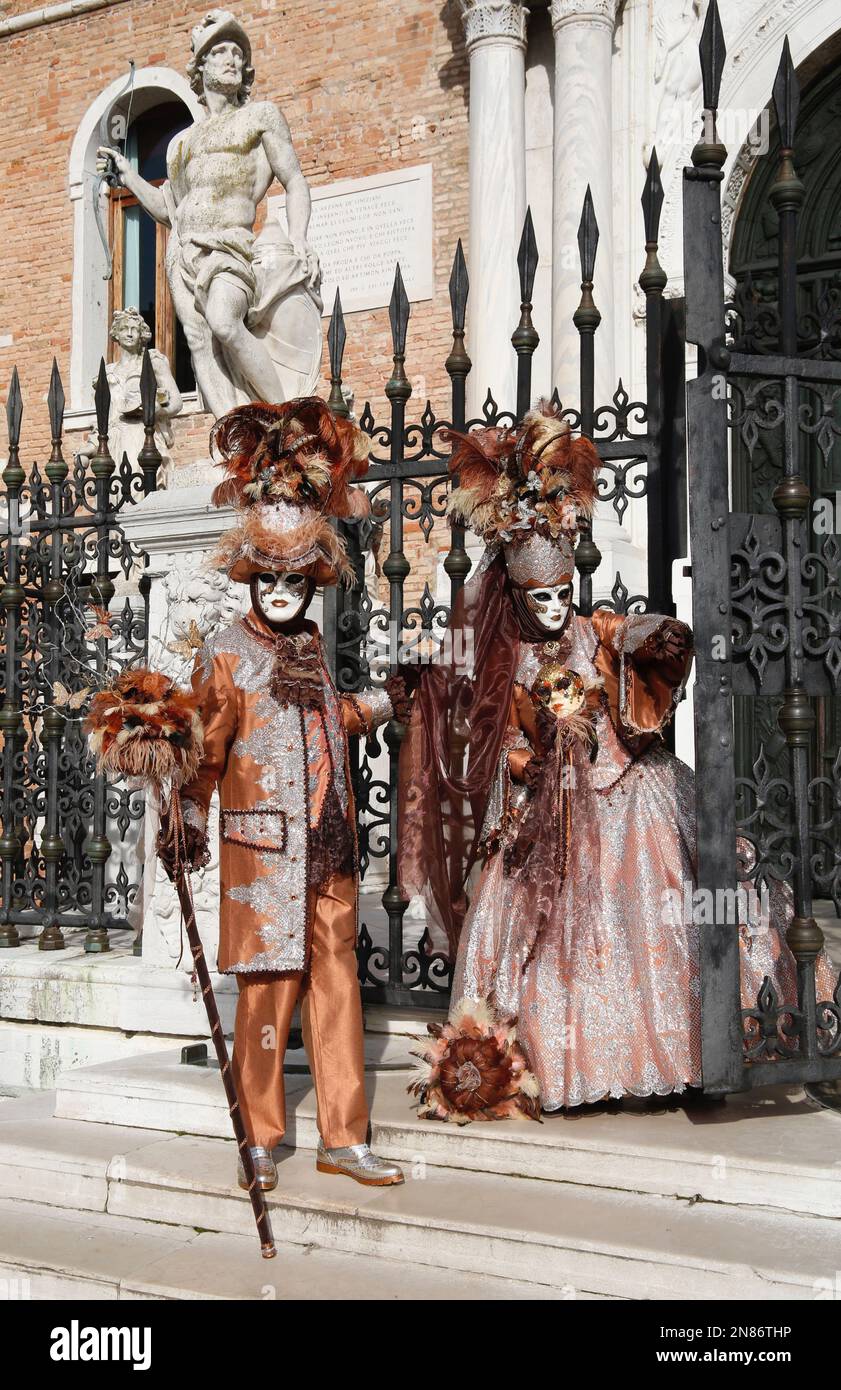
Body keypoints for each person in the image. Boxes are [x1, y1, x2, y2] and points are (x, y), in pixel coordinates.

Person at [399, 405, 837, 1118]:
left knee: (661, 922)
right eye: (537, 596)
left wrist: (644, 634)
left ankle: (694, 1053)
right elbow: (499, 745)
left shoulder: (591, 631)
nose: (551, 608)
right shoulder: (499, 663)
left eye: (561, 594)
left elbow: (640, 642)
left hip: (632, 799)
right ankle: (553, 1066)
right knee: (556, 937)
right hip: (547, 816)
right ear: (511, 590)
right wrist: (530, 766)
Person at [162, 397, 406, 1187]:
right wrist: (188, 818)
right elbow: (203, 750)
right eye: (266, 577)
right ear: (250, 577)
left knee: (336, 991)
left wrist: (382, 704)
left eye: (293, 579)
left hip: (329, 848)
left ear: (311, 584)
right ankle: (260, 1137)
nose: (278, 590)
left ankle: (345, 1136)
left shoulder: (310, 647)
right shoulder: (227, 656)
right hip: (264, 853)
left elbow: (322, 721)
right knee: (267, 998)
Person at [97, 10, 322, 417]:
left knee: (223, 321)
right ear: (200, 68)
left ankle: (287, 420)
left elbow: (295, 180)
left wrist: (300, 236)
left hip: (229, 245)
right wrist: (130, 176)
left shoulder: (260, 117)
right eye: (220, 52)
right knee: (199, 342)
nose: (232, 59)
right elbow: (169, 210)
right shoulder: (180, 143)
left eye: (238, 52)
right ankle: (232, 437)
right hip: (182, 252)